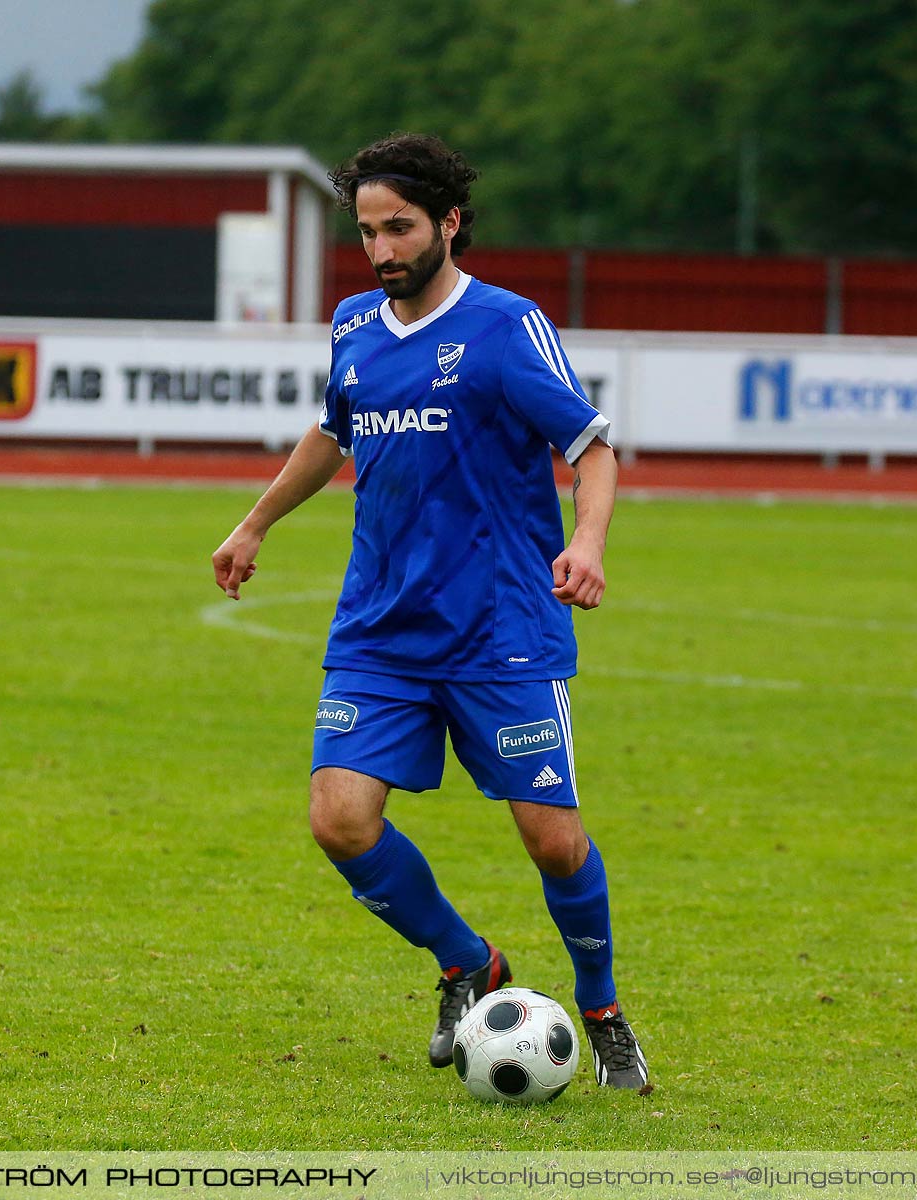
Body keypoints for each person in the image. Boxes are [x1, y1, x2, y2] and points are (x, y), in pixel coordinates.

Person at [211, 133, 648, 1091]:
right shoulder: (355, 326)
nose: (381, 249)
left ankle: (606, 1011)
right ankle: (468, 963)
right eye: (367, 230)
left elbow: (593, 447)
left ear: (449, 222)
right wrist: (253, 527)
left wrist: (588, 544)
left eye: (399, 227)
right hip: (381, 630)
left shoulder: (507, 327)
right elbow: (333, 436)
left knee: (553, 838)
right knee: (339, 820)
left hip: (502, 632)